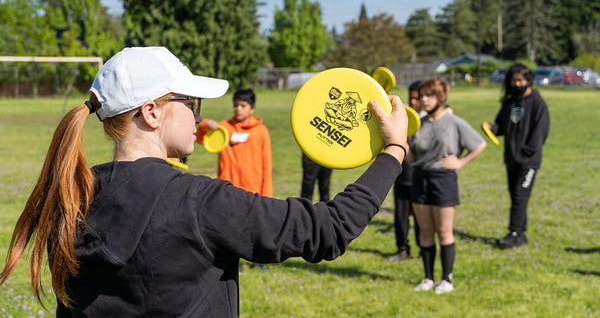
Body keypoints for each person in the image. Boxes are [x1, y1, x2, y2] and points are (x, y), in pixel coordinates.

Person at [0, 46, 409, 317]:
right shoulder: (200, 202)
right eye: (190, 103)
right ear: (152, 113)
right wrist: (394, 150)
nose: (198, 117)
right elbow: (328, 229)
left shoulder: (69, 198)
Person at [409, 78, 486, 294]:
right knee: (425, 231)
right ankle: (428, 278)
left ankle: (446, 279)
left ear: (441, 97)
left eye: (429, 95)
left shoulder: (453, 122)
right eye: (422, 95)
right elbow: (412, 158)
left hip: (443, 180)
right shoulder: (418, 123)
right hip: (420, 179)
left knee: (444, 231)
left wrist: (460, 162)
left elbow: (480, 144)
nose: (424, 100)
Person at [482, 63, 549, 249]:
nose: (517, 83)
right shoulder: (509, 103)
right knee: (515, 196)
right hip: (511, 159)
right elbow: (501, 127)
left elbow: (541, 131)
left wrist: (528, 151)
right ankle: (521, 233)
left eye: (521, 80)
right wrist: (490, 129)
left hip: (528, 161)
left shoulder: (537, 103)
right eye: (514, 80)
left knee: (520, 196)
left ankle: (514, 233)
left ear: (528, 80)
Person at [196, 88, 272, 197]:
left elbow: (267, 164)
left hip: (253, 191)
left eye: (243, 105)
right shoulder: (223, 128)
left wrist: (266, 195)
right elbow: (199, 138)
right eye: (236, 105)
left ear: (252, 109)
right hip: (227, 189)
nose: (238, 109)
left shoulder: (260, 131)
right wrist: (206, 124)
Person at [388, 80, 426, 262]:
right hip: (402, 175)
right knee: (401, 215)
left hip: (420, 177)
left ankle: (423, 248)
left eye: (417, 98)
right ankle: (402, 249)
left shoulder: (429, 119)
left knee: (421, 216)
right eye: (411, 98)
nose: (414, 102)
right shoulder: (403, 116)